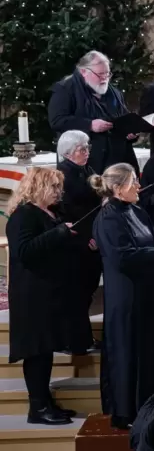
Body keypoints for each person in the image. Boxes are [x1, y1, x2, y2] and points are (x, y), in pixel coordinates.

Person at [91, 163, 154, 429]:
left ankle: (150, 407)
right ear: (118, 189)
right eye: (133, 182)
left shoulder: (137, 210)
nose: (139, 187)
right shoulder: (108, 217)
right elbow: (123, 258)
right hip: (127, 300)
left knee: (151, 353)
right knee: (129, 354)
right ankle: (127, 413)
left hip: (149, 297)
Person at [6, 168, 78, 424]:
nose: (59, 193)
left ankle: (45, 402)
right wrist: (59, 233)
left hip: (48, 293)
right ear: (38, 188)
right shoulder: (23, 215)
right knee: (36, 352)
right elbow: (24, 250)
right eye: (54, 187)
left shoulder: (50, 212)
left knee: (45, 350)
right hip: (31, 295)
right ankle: (37, 408)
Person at [48, 50, 140, 174]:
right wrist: (89, 125)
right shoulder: (65, 89)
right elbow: (57, 120)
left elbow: (123, 116)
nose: (105, 78)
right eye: (100, 74)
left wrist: (130, 131)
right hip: (86, 162)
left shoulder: (114, 92)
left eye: (107, 74)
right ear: (83, 71)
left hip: (117, 162)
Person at [56, 130, 101, 352]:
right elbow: (68, 213)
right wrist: (87, 238)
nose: (86, 152)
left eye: (87, 148)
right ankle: (74, 341)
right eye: (81, 149)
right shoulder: (63, 174)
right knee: (76, 294)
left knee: (85, 293)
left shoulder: (86, 169)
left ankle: (83, 338)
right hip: (78, 242)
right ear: (67, 153)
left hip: (92, 236)